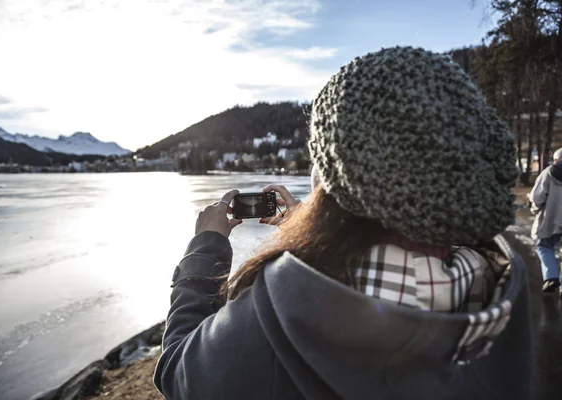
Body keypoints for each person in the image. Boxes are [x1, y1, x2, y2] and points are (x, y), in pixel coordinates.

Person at [153, 47, 531, 400]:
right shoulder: (506, 288)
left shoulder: (283, 311)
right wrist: (309, 228)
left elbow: (179, 373)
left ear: (334, 184)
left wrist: (205, 247)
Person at [529, 148, 562, 293]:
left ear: (556, 159)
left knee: (544, 246)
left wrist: (535, 209)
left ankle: (551, 277)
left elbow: (537, 197)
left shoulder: (548, 172)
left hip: (551, 218)